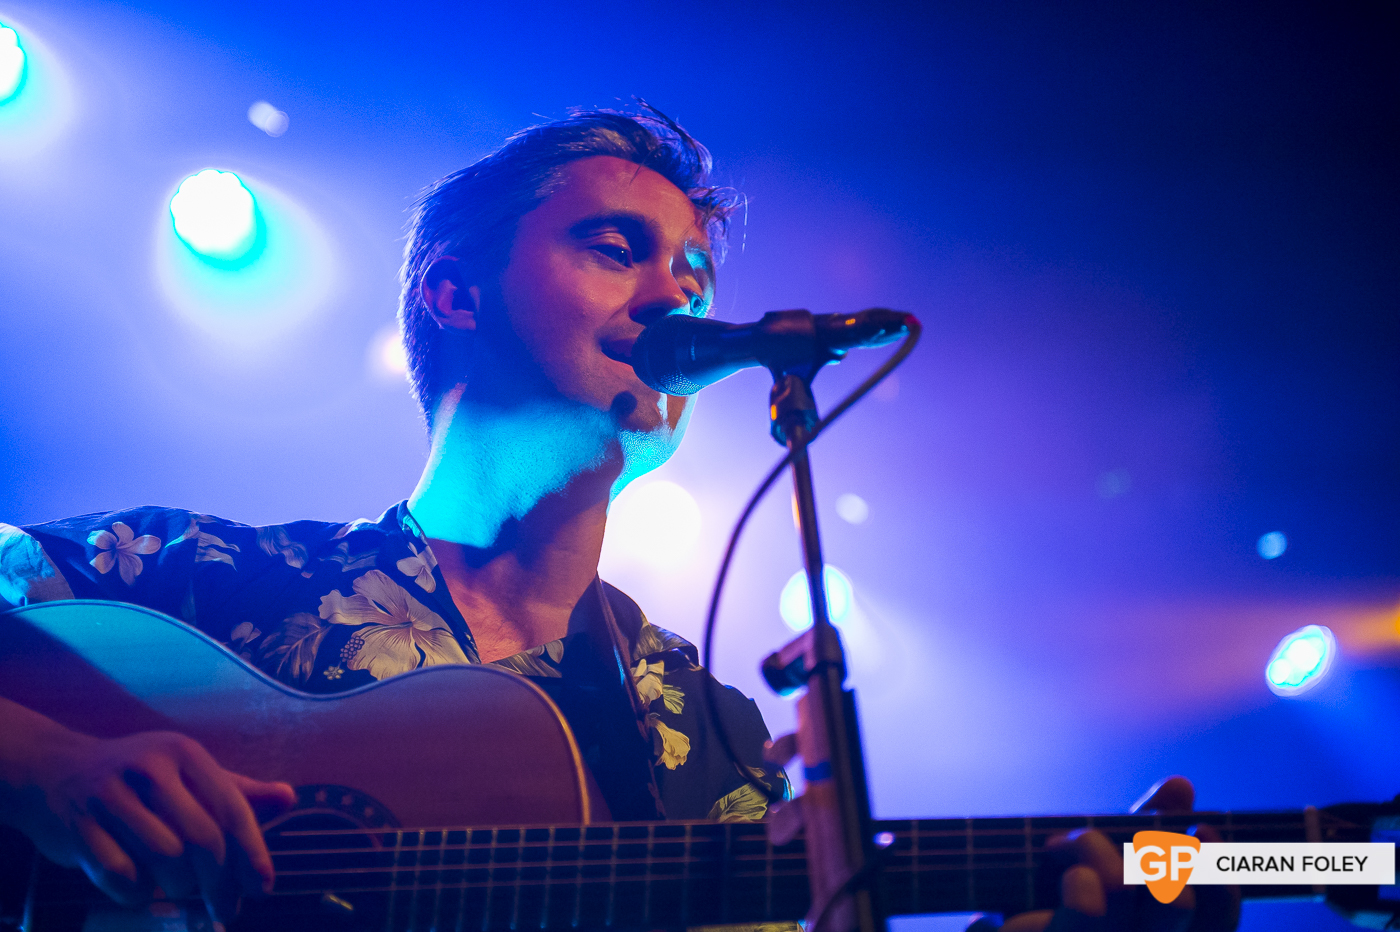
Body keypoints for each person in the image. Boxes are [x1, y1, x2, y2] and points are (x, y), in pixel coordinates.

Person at [0, 107, 1235, 932]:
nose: (674, 293)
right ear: (454, 293)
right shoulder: (192, 575)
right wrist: (51, 767)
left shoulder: (710, 739)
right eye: (615, 247)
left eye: (693, 276)